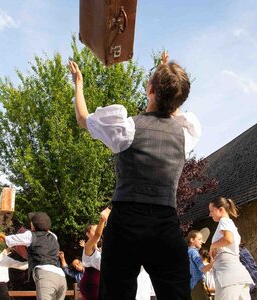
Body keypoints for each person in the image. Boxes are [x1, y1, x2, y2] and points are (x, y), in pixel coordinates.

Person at [69, 50, 201, 300]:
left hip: (126, 222)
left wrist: (79, 84)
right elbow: (171, 111)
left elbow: (82, 118)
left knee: (116, 294)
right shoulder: (186, 133)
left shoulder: (127, 127)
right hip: (165, 223)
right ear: (179, 99)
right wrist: (165, 76)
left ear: (150, 88)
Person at [0, 212, 67, 300]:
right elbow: (21, 265)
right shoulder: (53, 236)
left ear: (33, 225)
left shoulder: (30, 236)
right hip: (61, 277)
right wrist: (32, 261)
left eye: (31, 222)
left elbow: (5, 239)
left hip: (46, 275)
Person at [209, 197, 253, 300]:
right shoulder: (230, 223)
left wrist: (213, 245)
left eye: (211, 211)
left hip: (228, 275)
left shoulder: (224, 221)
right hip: (238, 274)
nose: (210, 214)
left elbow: (228, 239)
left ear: (221, 209)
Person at [80, 208, 111, 300]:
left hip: (101, 283)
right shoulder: (88, 246)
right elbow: (97, 235)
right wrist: (102, 220)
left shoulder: (99, 249)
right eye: (94, 230)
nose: (98, 231)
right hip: (91, 284)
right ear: (87, 234)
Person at [186, 230, 214, 300]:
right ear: (192, 240)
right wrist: (213, 263)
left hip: (192, 285)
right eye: (199, 239)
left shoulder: (187, 251)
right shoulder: (194, 252)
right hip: (197, 284)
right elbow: (203, 268)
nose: (202, 241)